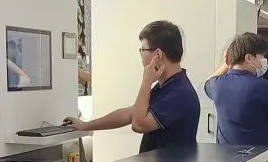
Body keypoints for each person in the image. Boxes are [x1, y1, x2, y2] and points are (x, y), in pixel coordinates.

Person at [67, 20, 199, 153]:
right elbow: (129, 113)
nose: (141, 55)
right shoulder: (167, 86)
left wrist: (146, 81)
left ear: (158, 54)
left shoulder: (179, 93)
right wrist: (85, 125)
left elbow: (139, 125)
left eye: (143, 50)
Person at [205, 32, 268, 146]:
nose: (263, 60)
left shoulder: (217, 84)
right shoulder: (263, 86)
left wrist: (226, 65)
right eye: (261, 56)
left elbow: (207, 82)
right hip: (257, 155)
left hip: (225, 155)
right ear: (249, 58)